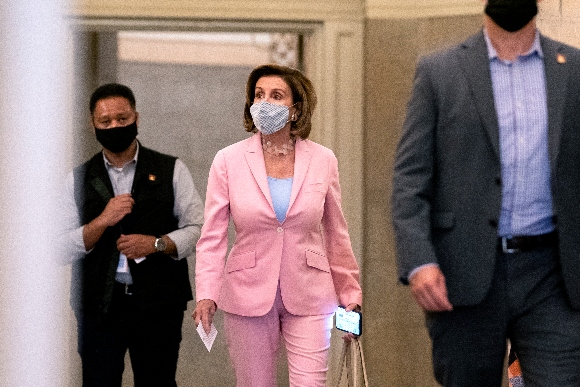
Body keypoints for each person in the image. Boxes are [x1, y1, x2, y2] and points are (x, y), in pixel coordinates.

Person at [391, 0, 580, 386]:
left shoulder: (574, 69)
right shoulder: (439, 71)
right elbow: (410, 178)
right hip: (463, 273)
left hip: (555, 275)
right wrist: (418, 261)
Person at [193, 64, 362, 386]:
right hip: (246, 292)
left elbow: (337, 233)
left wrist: (350, 294)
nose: (264, 103)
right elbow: (212, 237)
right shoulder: (227, 160)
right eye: (259, 95)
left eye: (276, 95)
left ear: (295, 110)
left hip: (312, 292)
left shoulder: (323, 159)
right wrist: (207, 294)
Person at [62, 83, 204, 386]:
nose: (114, 126)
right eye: (105, 121)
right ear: (93, 124)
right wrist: (102, 220)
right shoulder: (77, 179)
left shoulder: (171, 169)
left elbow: (197, 227)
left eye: (122, 119)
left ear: (136, 118)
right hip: (98, 308)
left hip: (158, 305)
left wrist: (157, 244)